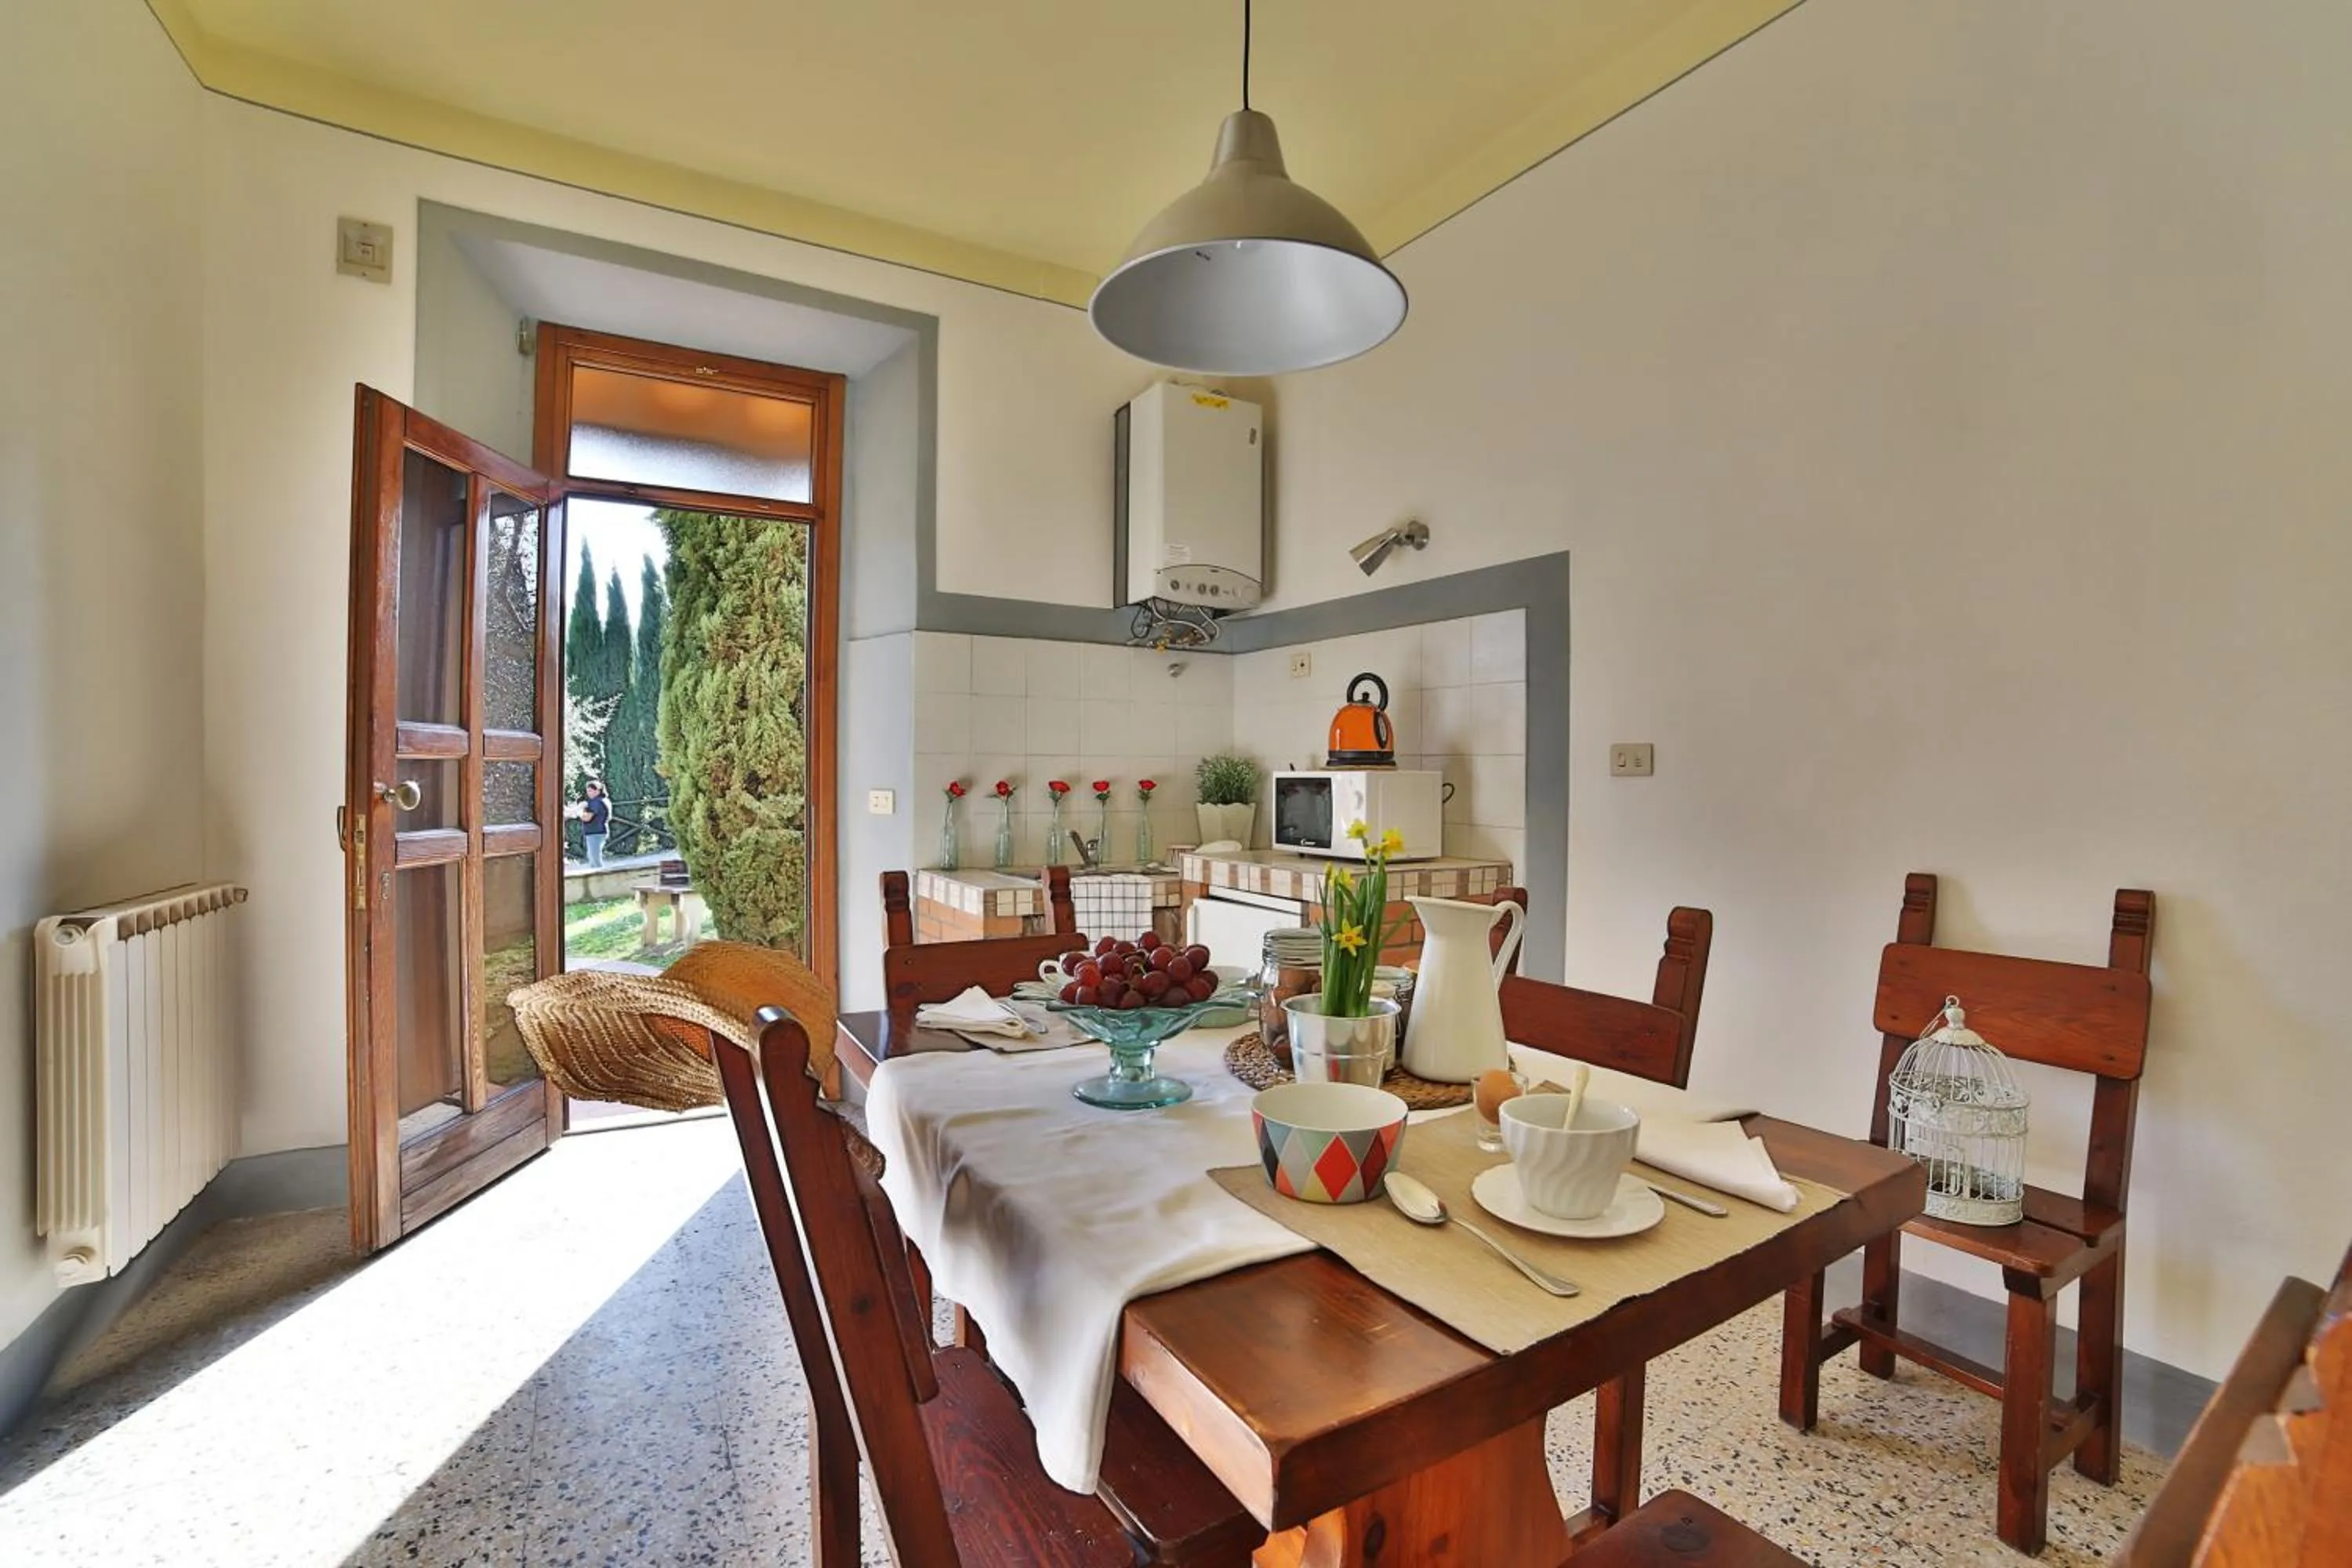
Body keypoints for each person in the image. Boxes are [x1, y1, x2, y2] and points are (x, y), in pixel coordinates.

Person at [578, 779, 610, 868]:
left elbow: (587, 818)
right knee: (593, 857)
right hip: (600, 831)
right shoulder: (604, 800)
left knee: (595, 859)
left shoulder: (596, 802)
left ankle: (600, 878)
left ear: (597, 791)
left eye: (591, 791)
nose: (589, 793)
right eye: (588, 791)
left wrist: (580, 811)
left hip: (595, 832)